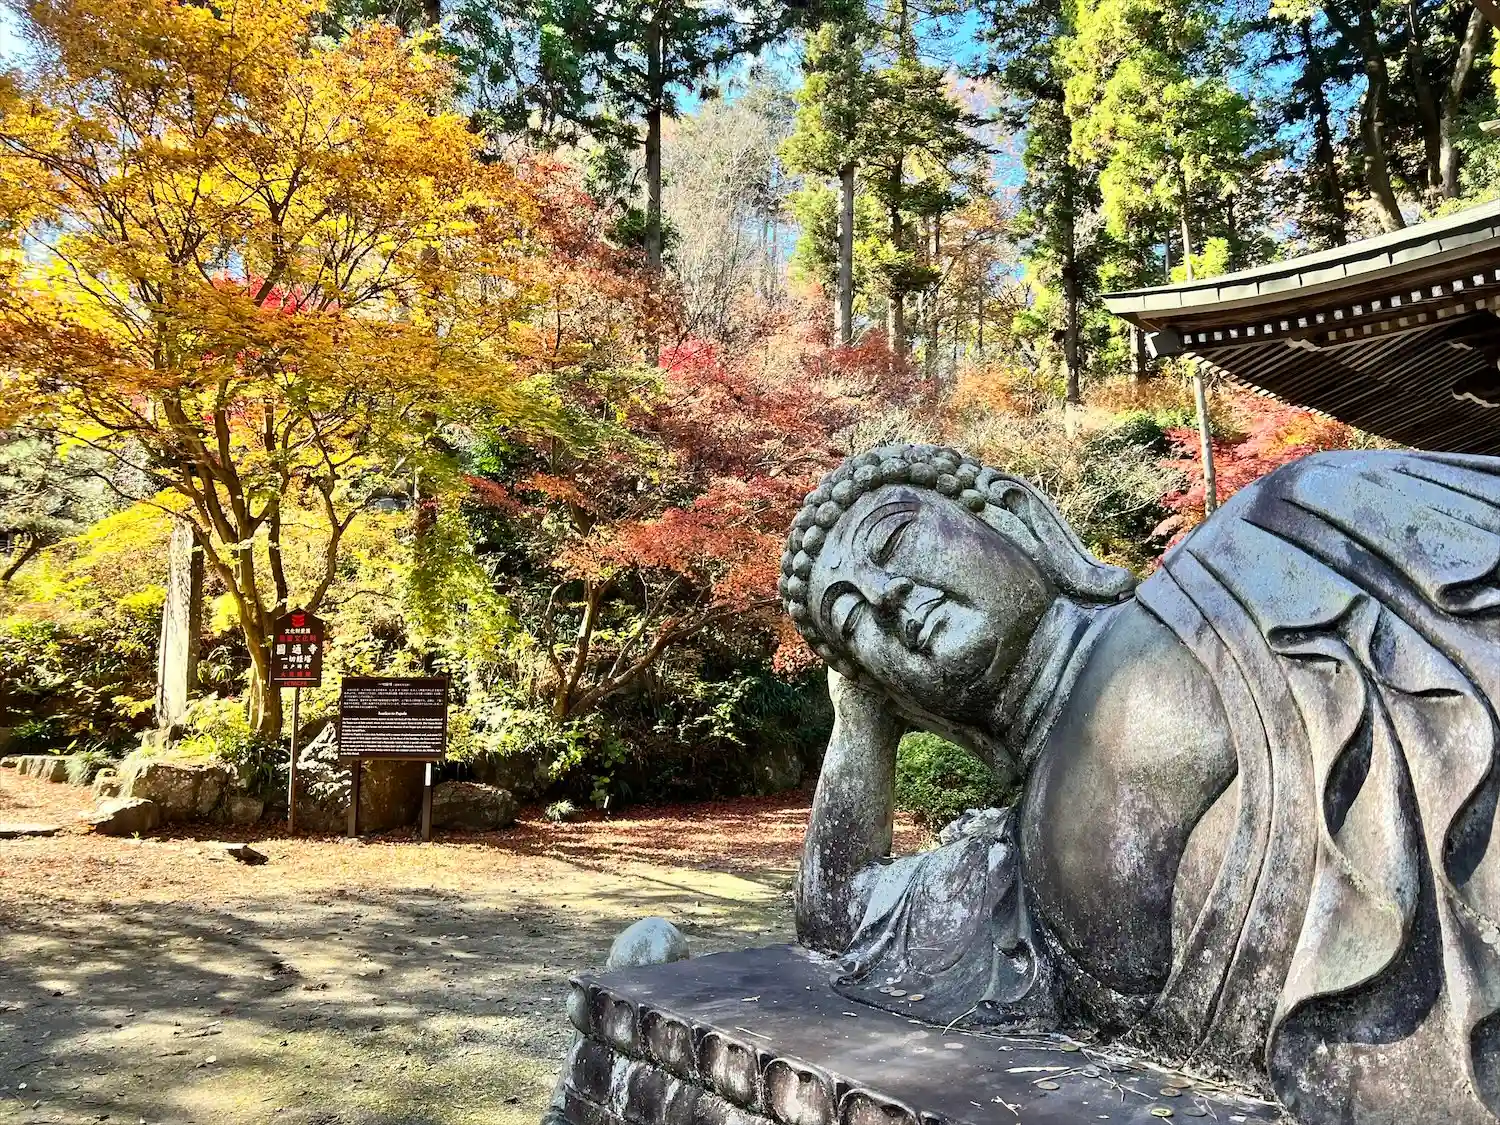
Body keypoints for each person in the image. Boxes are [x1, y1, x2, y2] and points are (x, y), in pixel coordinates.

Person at [780, 443, 1500, 1125]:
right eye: (852, 618)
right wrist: (860, 714)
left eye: (894, 540)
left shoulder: (1283, 529)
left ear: (1018, 519)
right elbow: (838, 910)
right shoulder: (1012, 879)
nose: (884, 597)